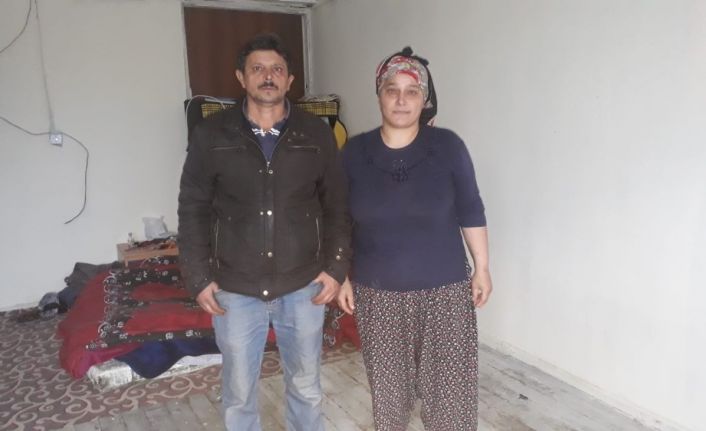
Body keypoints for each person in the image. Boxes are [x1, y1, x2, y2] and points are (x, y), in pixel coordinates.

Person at [178, 33, 351, 431]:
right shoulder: (211, 135)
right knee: (239, 394)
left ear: (289, 80)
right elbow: (193, 208)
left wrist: (336, 268)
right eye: (257, 68)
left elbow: (338, 205)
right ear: (241, 77)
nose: (268, 76)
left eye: (277, 69)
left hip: (303, 284)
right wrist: (198, 275)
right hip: (235, 288)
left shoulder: (315, 133)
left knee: (306, 387)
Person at [337, 47, 493, 430]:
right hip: (378, 296)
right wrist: (340, 275)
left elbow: (471, 208)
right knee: (390, 399)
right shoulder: (354, 153)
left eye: (412, 91)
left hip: (446, 293)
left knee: (450, 400)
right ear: (379, 95)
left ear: (424, 99)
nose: (401, 100)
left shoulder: (448, 147)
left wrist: (482, 267)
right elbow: (337, 219)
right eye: (392, 90)